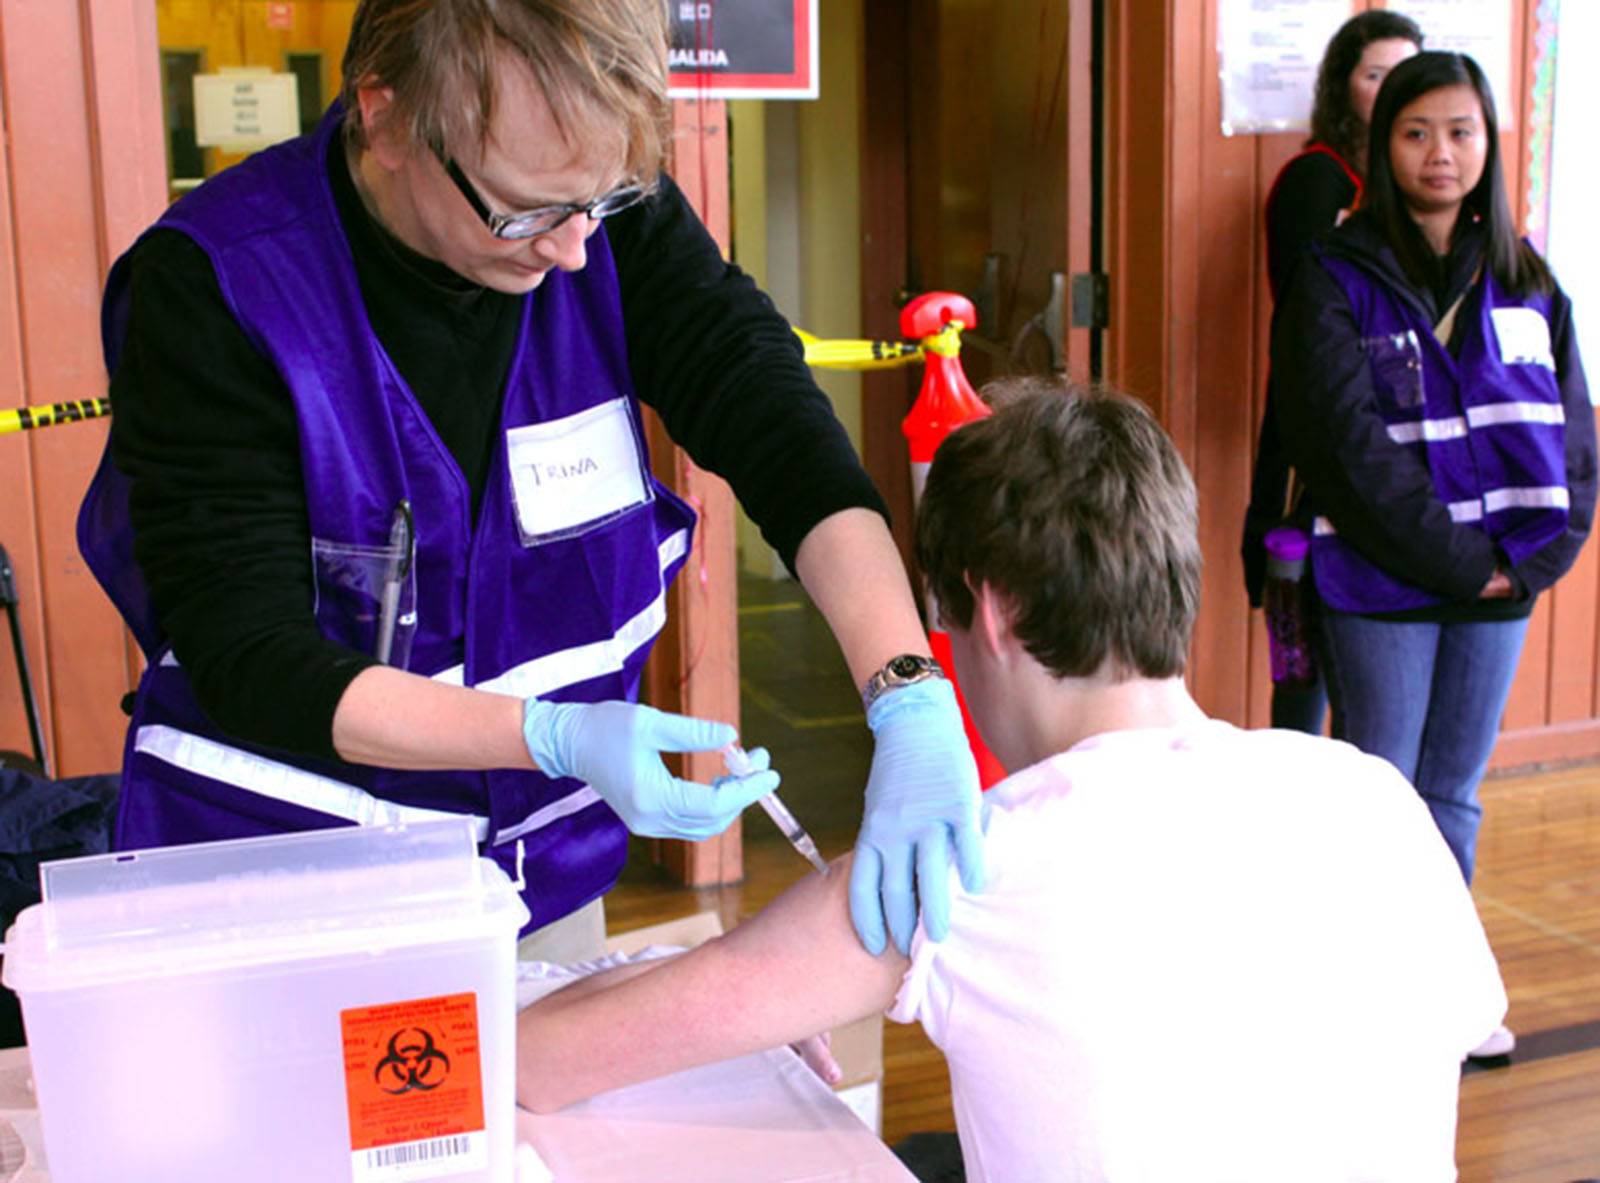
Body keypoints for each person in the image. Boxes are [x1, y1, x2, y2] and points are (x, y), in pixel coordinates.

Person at [78, 0, 981, 961]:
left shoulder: (593, 208)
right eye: (526, 211)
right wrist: (551, 735)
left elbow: (772, 420)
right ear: (383, 115)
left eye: (603, 201)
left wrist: (909, 692)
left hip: (528, 882)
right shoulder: (221, 286)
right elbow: (252, 653)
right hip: (280, 887)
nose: (574, 250)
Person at [516, 379, 1508, 1181]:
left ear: (984, 615)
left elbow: (537, 1062)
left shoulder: (958, 865)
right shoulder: (1376, 794)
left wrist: (661, 976)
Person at [1273, 51, 1596, 1056]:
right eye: (1416, 133)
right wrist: (1467, 563)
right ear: (1380, 147)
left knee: (1451, 794)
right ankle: (1365, 994)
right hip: (1381, 585)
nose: (1440, 153)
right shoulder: (1334, 274)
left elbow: (1574, 442)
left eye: (1460, 131)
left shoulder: (1529, 279)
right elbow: (1344, 448)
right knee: (1383, 793)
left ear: (1489, 143)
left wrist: (1534, 561)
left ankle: (1444, 996)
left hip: (1503, 585)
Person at [1244, 10, 1422, 734]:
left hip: (1399, 439)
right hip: (1311, 438)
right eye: (1375, 74)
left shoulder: (1415, 180)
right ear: (1343, 86)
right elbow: (1308, 327)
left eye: (1404, 74)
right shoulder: (1319, 179)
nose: (1391, 90)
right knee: (1302, 652)